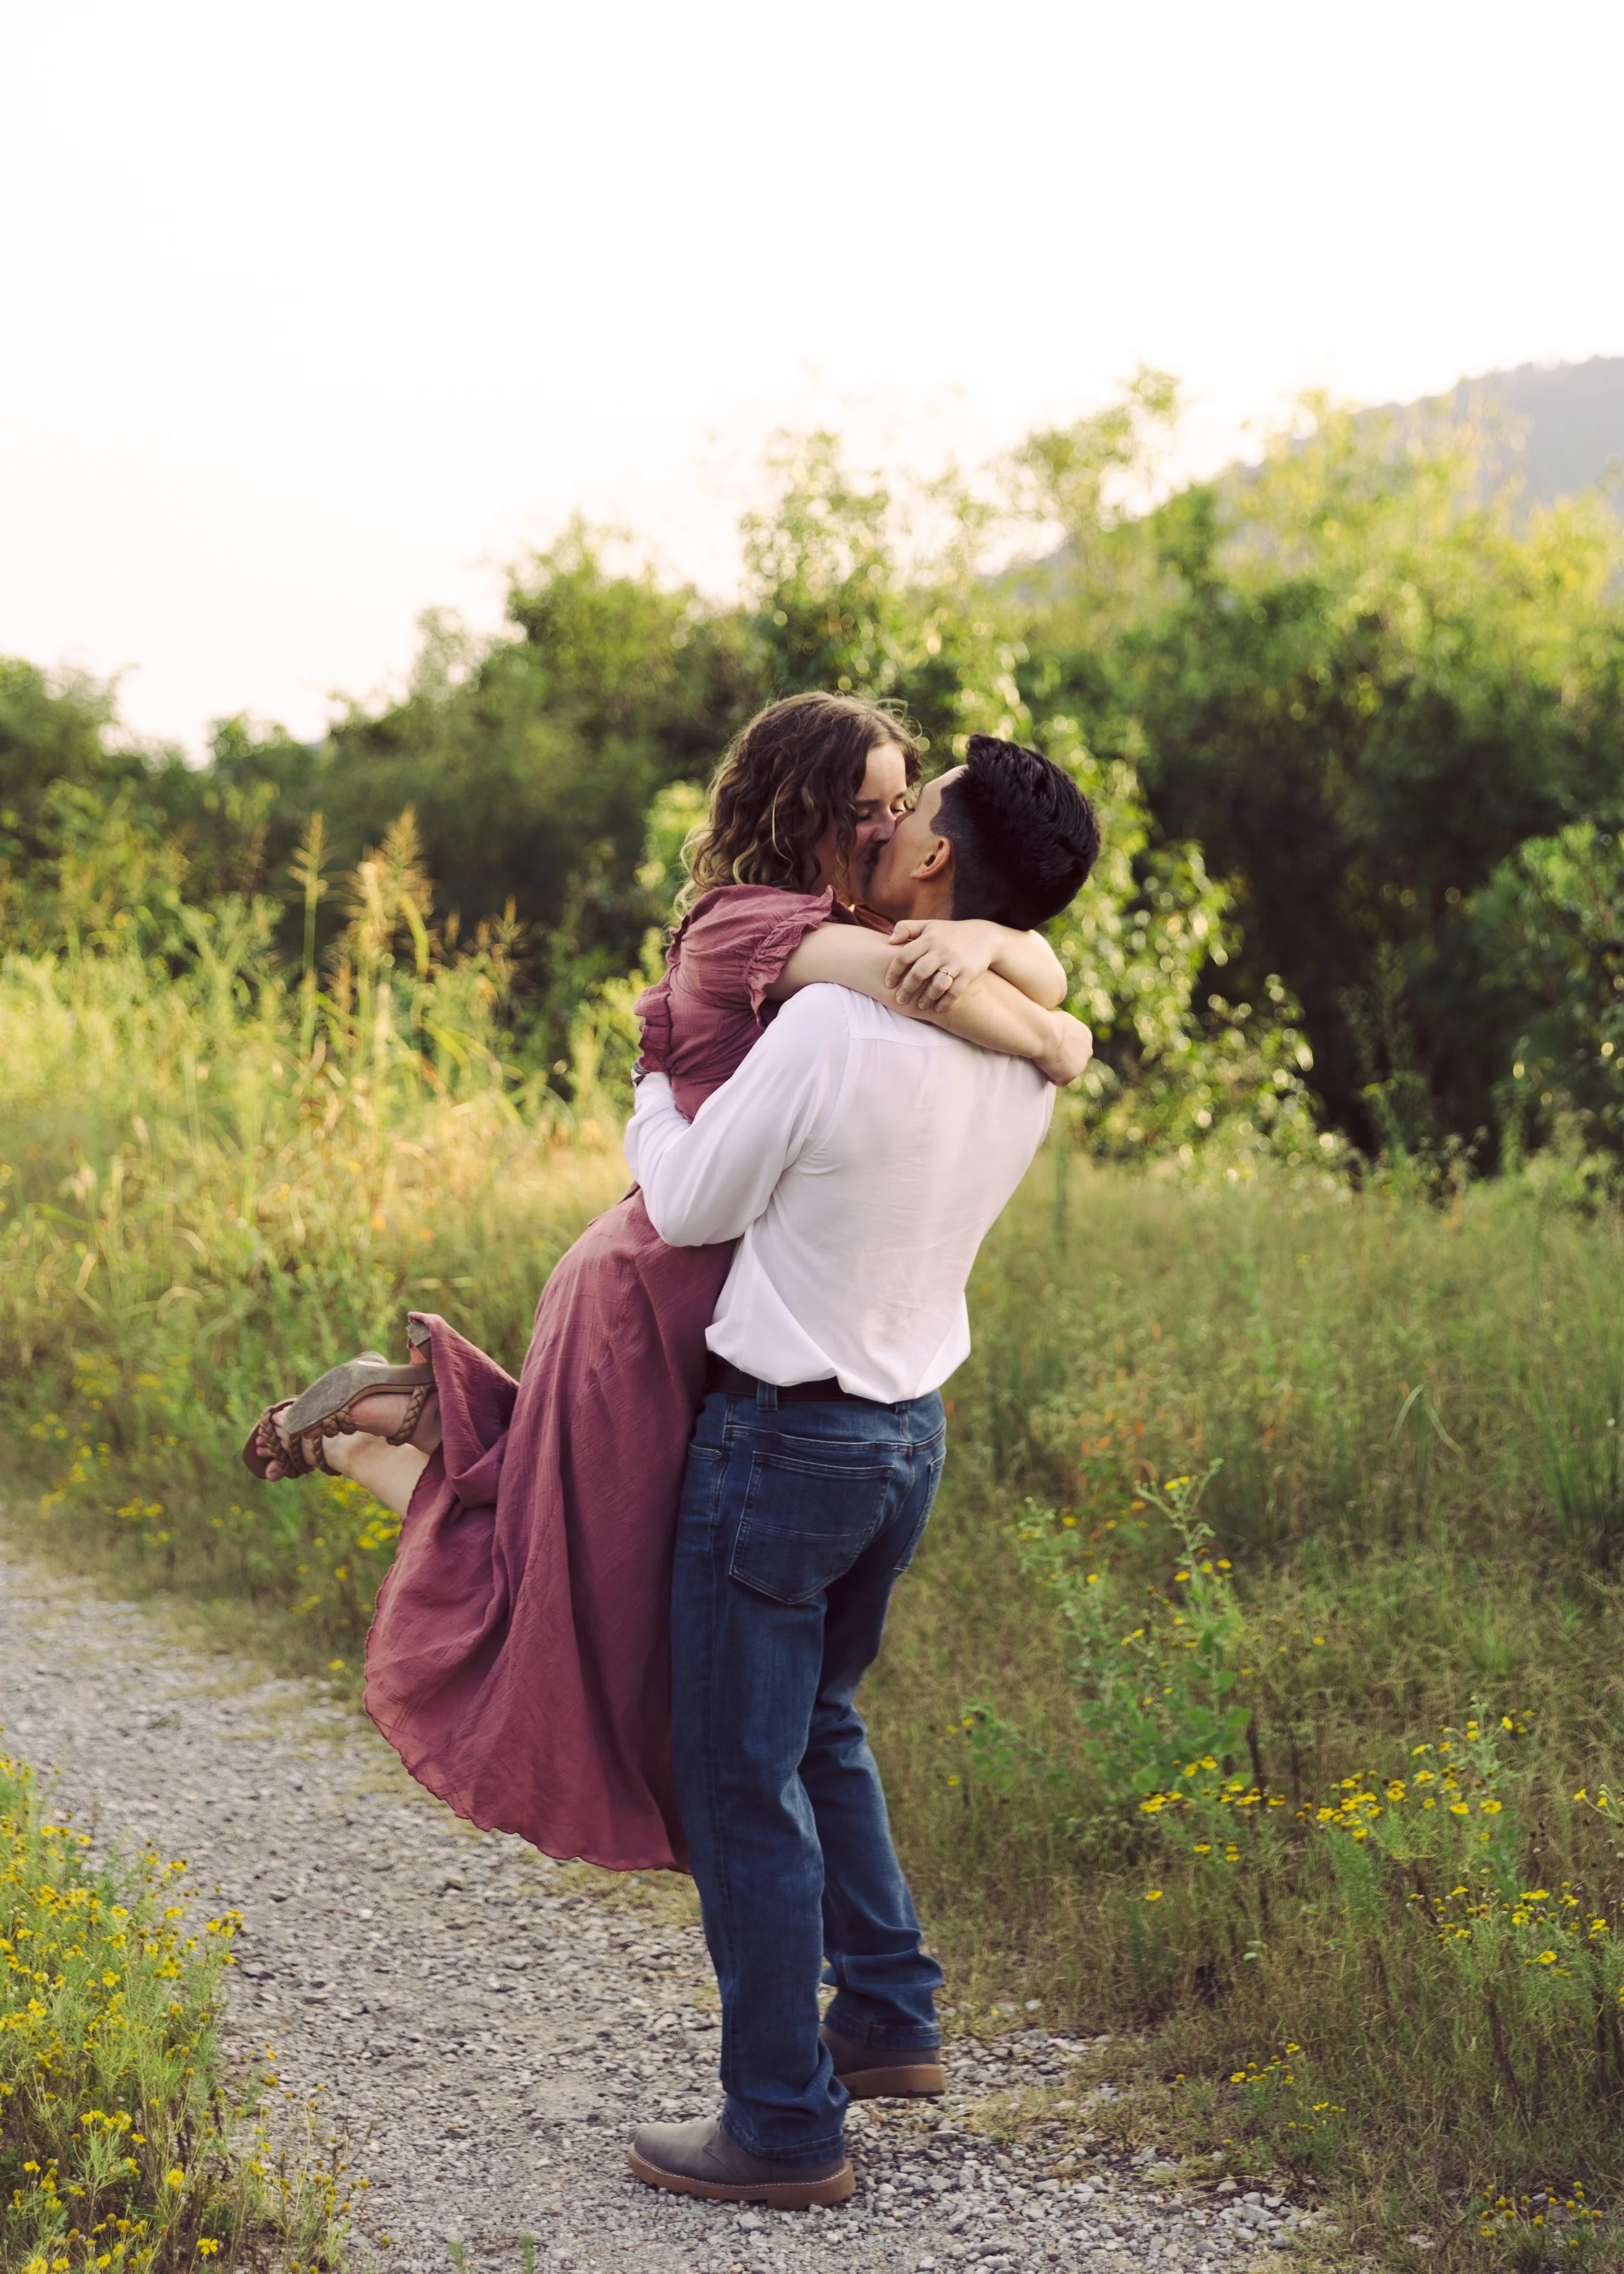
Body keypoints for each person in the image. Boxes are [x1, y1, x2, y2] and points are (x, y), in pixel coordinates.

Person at [242, 695, 1094, 1875]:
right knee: (566, 1581)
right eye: (870, 808)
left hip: (718, 1279)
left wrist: (1000, 943)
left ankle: (411, 1415)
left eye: (906, 804)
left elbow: (1026, 958)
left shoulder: (842, 923)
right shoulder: (764, 927)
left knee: (593, 1560)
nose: (893, 825)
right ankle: (362, 1439)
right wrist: (1060, 1041)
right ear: (807, 815)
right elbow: (933, 990)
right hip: (659, 1284)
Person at [618, 737, 1100, 2208]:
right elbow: (1058, 1020)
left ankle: (780, 2122)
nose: (888, 823)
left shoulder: (833, 1023)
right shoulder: (1020, 1041)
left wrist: (648, 1084)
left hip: (782, 1435)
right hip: (906, 1434)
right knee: (821, 1718)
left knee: (739, 1781)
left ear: (940, 859)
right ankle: (887, 2015)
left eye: (915, 808)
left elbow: (689, 1190)